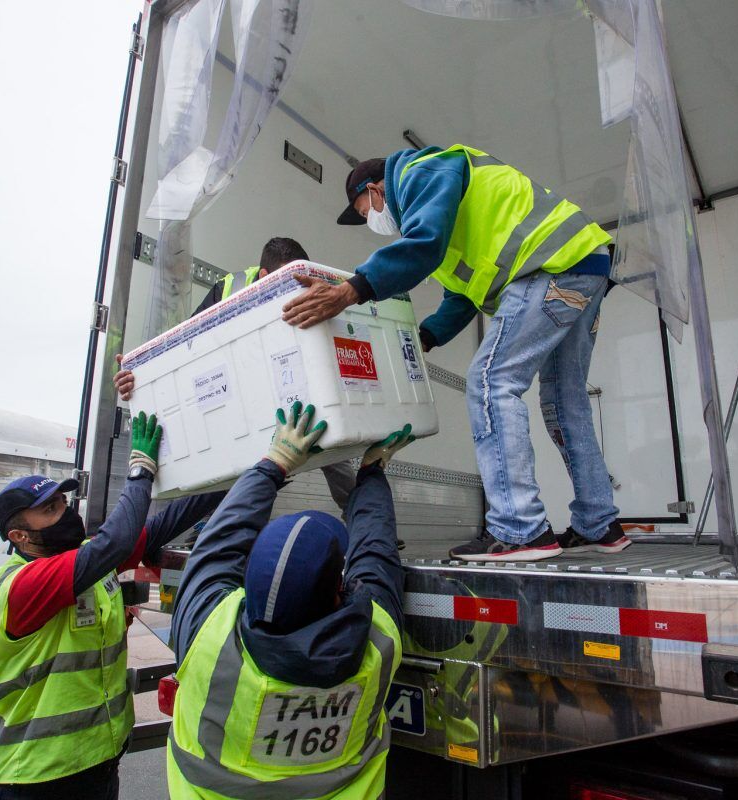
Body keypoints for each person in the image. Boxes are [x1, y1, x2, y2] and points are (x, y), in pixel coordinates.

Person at [281, 144, 631, 563]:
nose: (368, 220)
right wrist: (424, 338)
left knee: (491, 383)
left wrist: (350, 291)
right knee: (565, 401)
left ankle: (519, 529)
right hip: (582, 265)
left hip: (549, 265)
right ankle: (599, 523)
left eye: (362, 211)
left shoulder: (421, 172)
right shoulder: (440, 218)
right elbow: (461, 298)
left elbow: (422, 245)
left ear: (375, 190)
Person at [166, 402, 413, 799]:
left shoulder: (209, 641)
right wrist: (371, 474)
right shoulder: (376, 640)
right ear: (338, 591)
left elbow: (214, 548)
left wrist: (274, 463)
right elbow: (375, 548)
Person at [0, 413, 223, 800]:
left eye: (63, 501)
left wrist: (252, 471)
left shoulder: (85, 558)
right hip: (35, 779)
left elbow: (165, 523)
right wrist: (140, 471)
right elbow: (118, 539)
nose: (66, 511)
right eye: (50, 510)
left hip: (99, 763)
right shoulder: (21, 585)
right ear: (19, 535)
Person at [114, 235, 360, 519]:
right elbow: (183, 346)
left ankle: (357, 514)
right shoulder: (230, 289)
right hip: (242, 387)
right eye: (287, 278)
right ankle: (217, 527)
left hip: (290, 377)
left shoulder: (308, 282)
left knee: (324, 434)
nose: (295, 287)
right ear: (266, 275)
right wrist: (140, 374)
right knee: (237, 457)